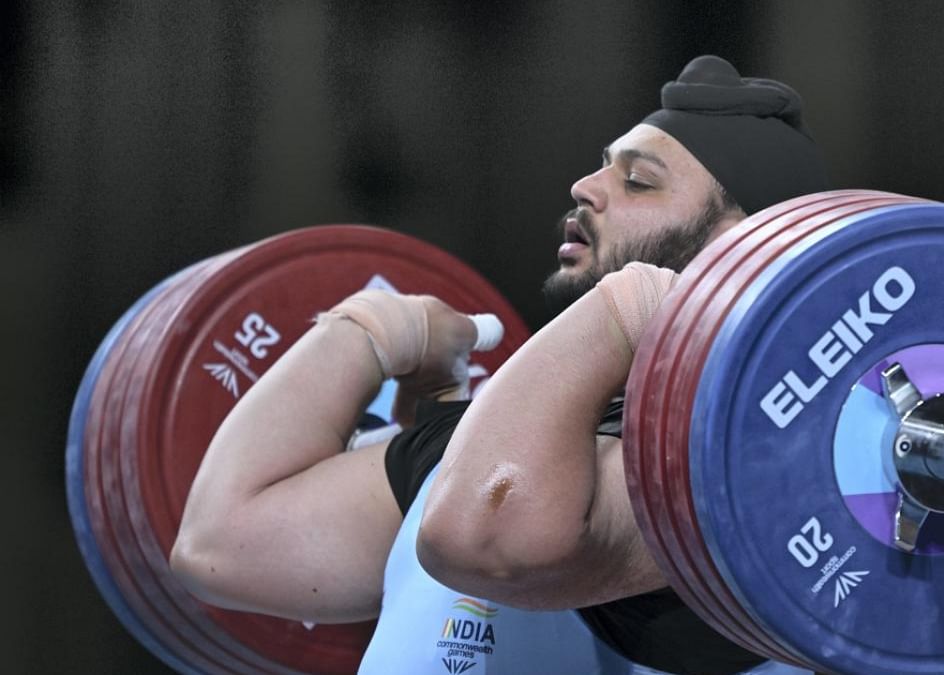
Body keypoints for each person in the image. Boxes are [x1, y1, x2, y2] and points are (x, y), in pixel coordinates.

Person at [171, 55, 828, 674]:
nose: (584, 187)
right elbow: (220, 544)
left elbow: (486, 537)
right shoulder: (480, 446)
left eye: (637, 180)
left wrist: (631, 309)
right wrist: (370, 331)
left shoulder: (772, 469)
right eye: (603, 167)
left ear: (739, 243)